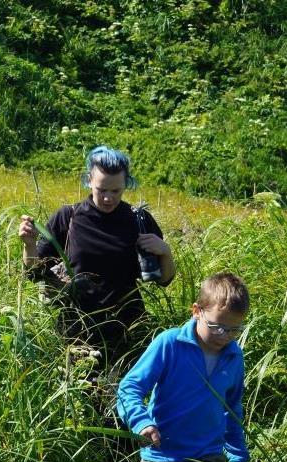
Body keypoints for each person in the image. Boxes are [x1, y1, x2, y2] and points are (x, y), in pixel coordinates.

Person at [18, 145, 175, 368]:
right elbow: (33, 273)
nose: (109, 198)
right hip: (77, 329)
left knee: (123, 397)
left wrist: (165, 251)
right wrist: (29, 244)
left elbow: (165, 280)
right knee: (84, 397)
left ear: (125, 185)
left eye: (116, 191)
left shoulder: (138, 220)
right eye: (102, 190)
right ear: (89, 180)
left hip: (127, 329)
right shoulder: (69, 217)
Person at [116, 272, 250, 462]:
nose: (225, 336)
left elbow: (233, 408)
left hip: (207, 458)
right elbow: (130, 387)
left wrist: (237, 454)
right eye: (217, 326)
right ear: (197, 311)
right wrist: (141, 422)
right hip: (163, 459)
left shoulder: (233, 356)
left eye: (234, 330)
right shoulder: (170, 344)